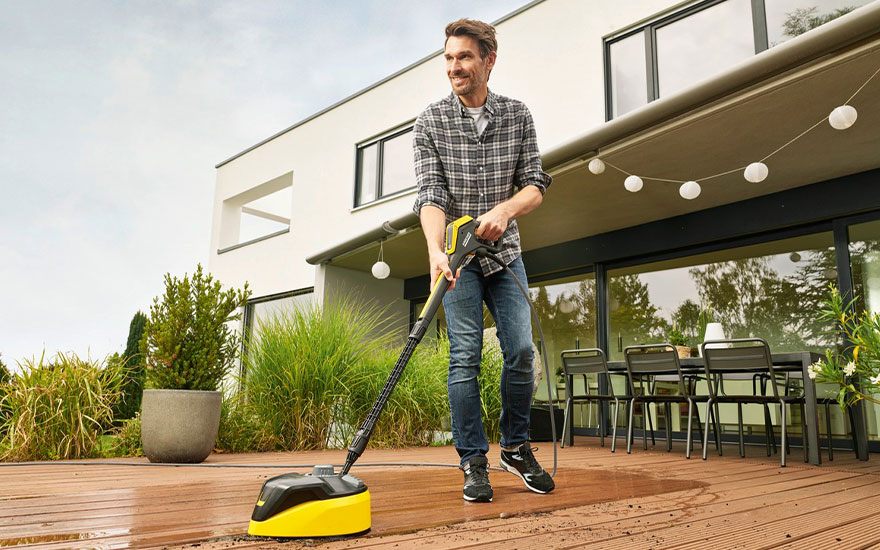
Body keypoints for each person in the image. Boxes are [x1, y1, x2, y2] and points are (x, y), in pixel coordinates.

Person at [412, 18, 554, 503]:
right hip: (458, 259)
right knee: (464, 359)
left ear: (489, 60)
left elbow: (535, 183)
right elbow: (430, 194)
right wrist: (435, 249)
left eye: (465, 57)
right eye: (449, 58)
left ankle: (515, 447)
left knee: (520, 351)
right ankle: (473, 460)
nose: (454, 67)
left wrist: (506, 210)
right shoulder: (430, 121)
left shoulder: (517, 115)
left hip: (506, 255)